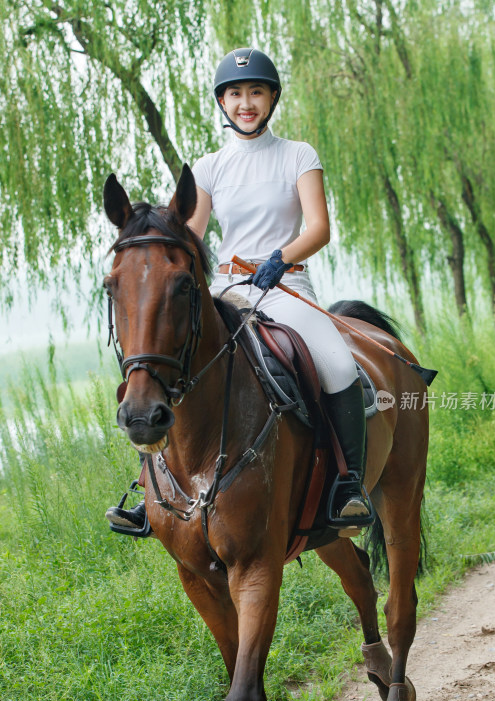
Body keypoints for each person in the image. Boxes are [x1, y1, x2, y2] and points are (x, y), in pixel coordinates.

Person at [106, 47, 371, 536]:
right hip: (227, 286)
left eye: (255, 92)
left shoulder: (298, 155)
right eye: (235, 94)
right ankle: (151, 491)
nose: (245, 102)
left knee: (336, 363)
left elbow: (319, 228)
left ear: (272, 98)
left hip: (284, 283)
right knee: (173, 364)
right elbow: (193, 235)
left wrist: (281, 259)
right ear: (222, 103)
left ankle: (349, 486)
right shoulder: (208, 167)